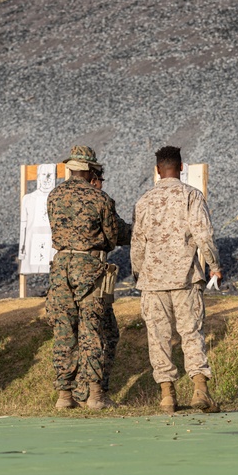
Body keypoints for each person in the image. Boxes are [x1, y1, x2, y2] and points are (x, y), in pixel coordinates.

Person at [131, 146, 222, 414]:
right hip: (186, 279)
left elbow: (137, 244)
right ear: (181, 168)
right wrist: (214, 265)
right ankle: (200, 390)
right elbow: (203, 235)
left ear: (158, 170)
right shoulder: (191, 195)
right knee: (191, 333)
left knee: (158, 338)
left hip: (152, 281)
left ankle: (167, 396)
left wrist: (139, 273)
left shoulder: (144, 201)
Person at [46, 146, 120, 411]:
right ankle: (95, 396)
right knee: (92, 329)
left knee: (64, 330)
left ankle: (64, 396)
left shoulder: (53, 196)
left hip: (60, 266)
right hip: (89, 267)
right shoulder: (99, 198)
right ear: (90, 169)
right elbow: (111, 237)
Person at [73, 167, 131, 408]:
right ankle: (96, 393)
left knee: (75, 332)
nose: (101, 185)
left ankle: (77, 392)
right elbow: (117, 234)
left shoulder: (60, 198)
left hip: (66, 275)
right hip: (93, 274)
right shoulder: (100, 201)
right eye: (100, 180)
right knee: (102, 332)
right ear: (93, 179)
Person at [19, 164, 57, 274]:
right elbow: (23, 225)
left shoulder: (59, 199)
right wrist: (22, 249)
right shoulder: (28, 198)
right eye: (44, 175)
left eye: (50, 175)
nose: (46, 179)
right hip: (33, 241)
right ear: (38, 176)